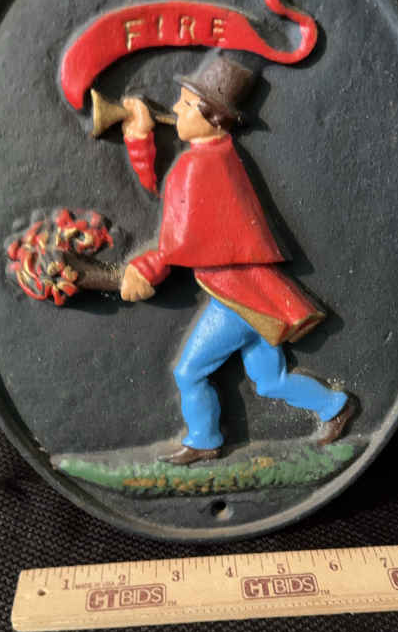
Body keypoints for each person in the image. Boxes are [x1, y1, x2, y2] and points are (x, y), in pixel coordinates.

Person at [120, 54, 355, 465]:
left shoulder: (202, 166)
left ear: (213, 119)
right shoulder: (213, 156)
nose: (175, 109)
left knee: (189, 372)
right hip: (252, 293)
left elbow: (184, 239)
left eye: (186, 104)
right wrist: (139, 138)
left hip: (234, 298)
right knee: (269, 380)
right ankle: (335, 406)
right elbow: (170, 205)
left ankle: (204, 439)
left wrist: (150, 266)